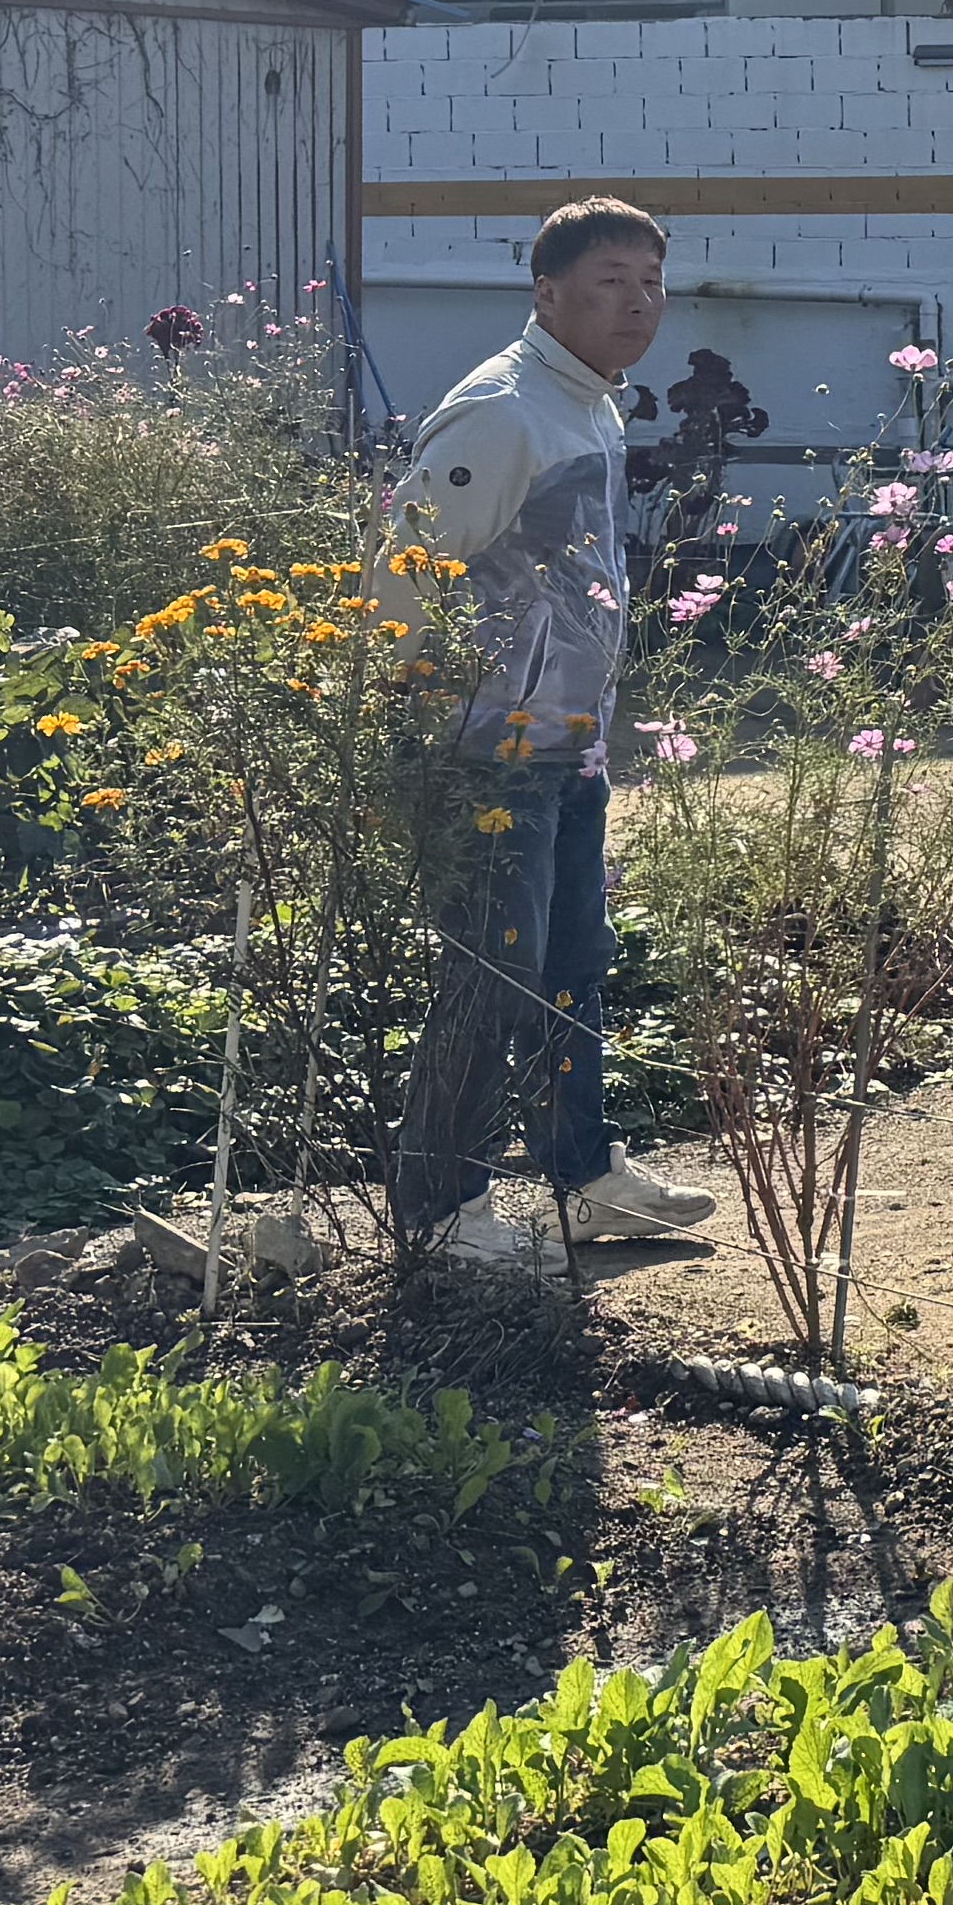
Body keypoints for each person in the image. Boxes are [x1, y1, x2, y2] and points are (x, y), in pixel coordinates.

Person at [370, 197, 724, 1264]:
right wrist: (424, 726)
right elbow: (402, 577)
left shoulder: (589, 405)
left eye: (653, 282)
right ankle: (439, 1211)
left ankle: (586, 1177)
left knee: (574, 961)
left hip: (565, 745)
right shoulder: (505, 413)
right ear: (547, 292)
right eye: (612, 280)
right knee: (489, 974)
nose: (639, 303)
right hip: (483, 755)